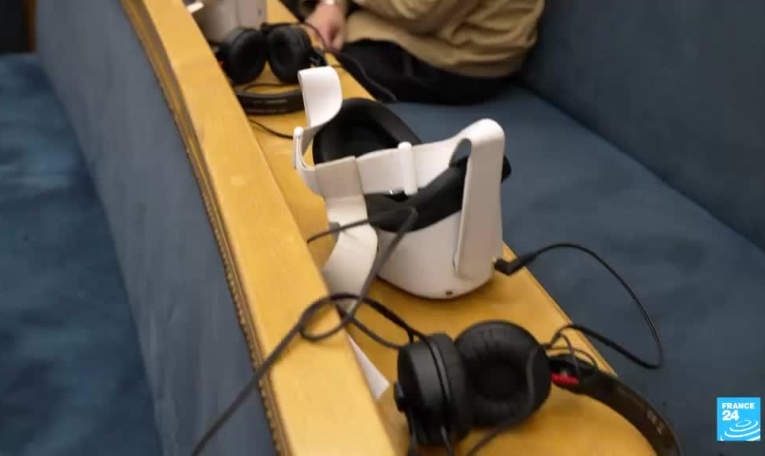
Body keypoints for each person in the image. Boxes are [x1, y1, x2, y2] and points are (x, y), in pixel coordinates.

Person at [300, 0, 544, 104]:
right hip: (409, 21)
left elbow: (417, 10)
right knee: (296, 42)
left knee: (312, 72)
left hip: (456, 53)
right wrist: (331, 5)